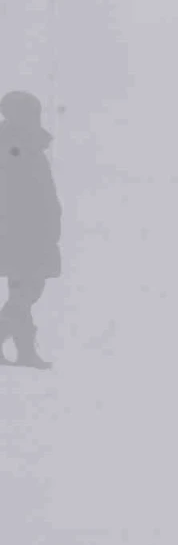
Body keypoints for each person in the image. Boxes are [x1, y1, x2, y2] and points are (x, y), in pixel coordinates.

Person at [0, 90, 62, 369]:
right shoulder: (14, 145)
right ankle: (21, 348)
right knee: (27, 290)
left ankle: (25, 352)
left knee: (22, 292)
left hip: (32, 233)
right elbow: (19, 193)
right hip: (23, 235)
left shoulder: (26, 143)